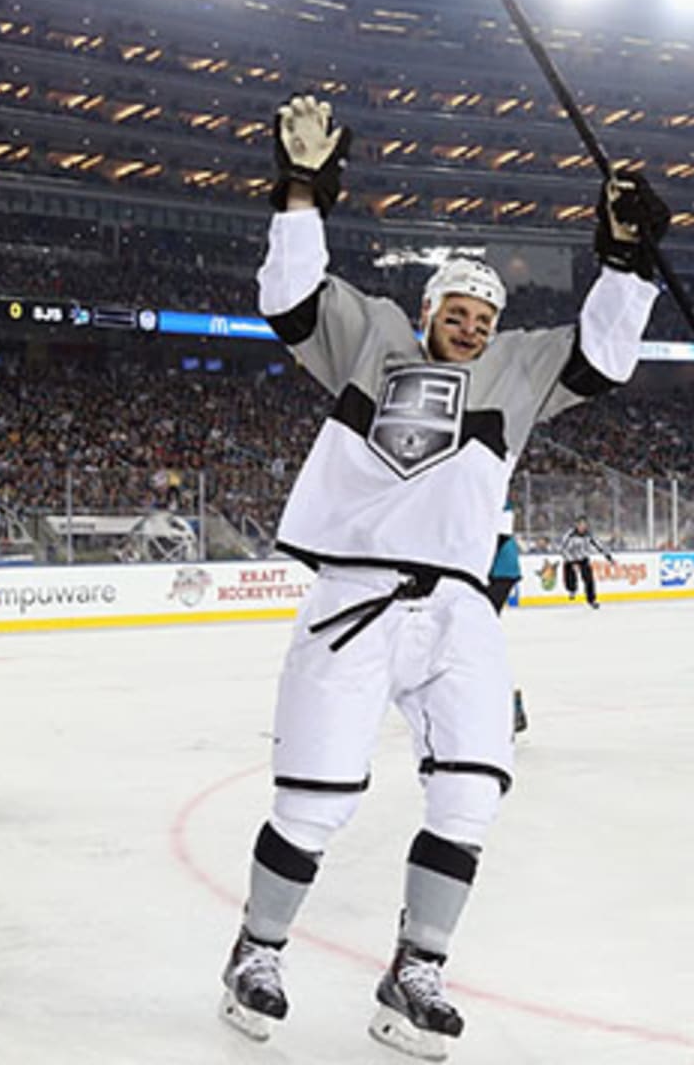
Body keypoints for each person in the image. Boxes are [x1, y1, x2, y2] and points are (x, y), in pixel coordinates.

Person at [218, 95, 667, 1059]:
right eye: (455, 315)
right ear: (426, 313)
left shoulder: (517, 369)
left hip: (461, 610)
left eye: (481, 318)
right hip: (356, 600)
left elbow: (603, 354)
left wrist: (625, 259)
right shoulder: (367, 339)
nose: (468, 329)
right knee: (315, 800)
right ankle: (256, 951)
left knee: (470, 793)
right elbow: (291, 297)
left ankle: (416, 967)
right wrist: (301, 190)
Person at [485, 501, 526, 735]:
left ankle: (508, 703)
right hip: (498, 569)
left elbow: (499, 535)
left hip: (497, 571)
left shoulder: (490, 486)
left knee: (475, 640)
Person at [558, 516, 614, 608]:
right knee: (570, 578)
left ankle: (591, 600)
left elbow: (599, 545)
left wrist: (608, 556)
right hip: (570, 558)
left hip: (583, 559)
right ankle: (572, 589)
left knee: (589, 579)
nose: (583, 527)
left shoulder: (589, 535)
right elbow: (563, 550)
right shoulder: (570, 535)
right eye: (580, 525)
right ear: (576, 525)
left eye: (584, 525)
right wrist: (572, 562)